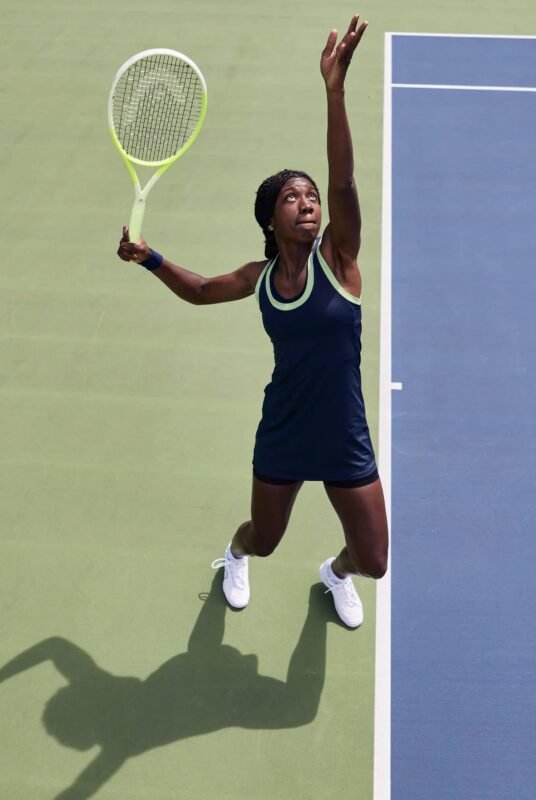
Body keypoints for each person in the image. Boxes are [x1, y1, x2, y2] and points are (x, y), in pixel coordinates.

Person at [118, 15, 388, 628]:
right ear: (270, 218)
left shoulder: (340, 260)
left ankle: (335, 572)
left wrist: (335, 91)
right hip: (285, 428)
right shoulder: (259, 277)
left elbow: (344, 180)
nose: (308, 203)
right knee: (264, 539)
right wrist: (149, 257)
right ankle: (235, 556)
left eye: (311, 196)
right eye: (293, 197)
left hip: (343, 431)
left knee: (373, 560)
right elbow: (202, 291)